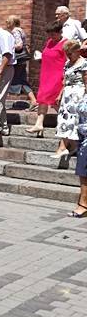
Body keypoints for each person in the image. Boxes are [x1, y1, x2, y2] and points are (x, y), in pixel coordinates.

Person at [27, 21, 68, 134]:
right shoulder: (50, 42)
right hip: (46, 74)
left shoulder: (66, 43)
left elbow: (68, 61)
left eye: (53, 34)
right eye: (49, 34)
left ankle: (66, 122)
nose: (51, 36)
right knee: (43, 99)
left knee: (55, 101)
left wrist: (65, 77)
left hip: (57, 76)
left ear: (60, 32)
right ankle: (39, 124)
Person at [53, 40, 87, 158]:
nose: (68, 56)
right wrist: (60, 94)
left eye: (70, 53)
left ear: (77, 51)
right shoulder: (67, 63)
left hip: (78, 93)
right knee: (63, 119)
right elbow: (65, 81)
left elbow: (86, 81)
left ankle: (63, 147)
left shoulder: (84, 63)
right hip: (67, 94)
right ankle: (72, 146)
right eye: (67, 53)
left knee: (73, 120)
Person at [6, 16, 37, 110]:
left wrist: (8, 47)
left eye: (8, 21)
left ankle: (34, 101)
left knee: (12, 79)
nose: (6, 23)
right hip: (22, 60)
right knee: (22, 80)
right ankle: (34, 101)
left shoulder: (15, 31)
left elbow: (19, 45)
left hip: (18, 59)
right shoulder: (20, 30)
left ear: (12, 22)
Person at [70, 72, 87, 217]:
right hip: (82, 137)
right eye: (84, 74)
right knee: (82, 170)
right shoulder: (84, 93)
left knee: (84, 170)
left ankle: (83, 204)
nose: (85, 76)